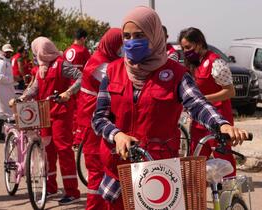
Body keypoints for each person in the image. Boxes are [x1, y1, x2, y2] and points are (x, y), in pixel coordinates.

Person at [91, 6, 250, 209]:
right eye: (127, 36)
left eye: (139, 35)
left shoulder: (175, 73)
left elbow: (197, 103)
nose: (131, 42)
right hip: (119, 174)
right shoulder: (112, 71)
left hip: (160, 173)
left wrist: (222, 125)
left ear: (155, 35)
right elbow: (99, 118)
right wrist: (117, 135)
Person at [19, 36, 81, 205]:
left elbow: (80, 77)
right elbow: (36, 87)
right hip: (44, 113)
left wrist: (69, 92)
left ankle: (72, 191)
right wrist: (24, 96)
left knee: (64, 151)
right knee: (48, 152)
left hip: (61, 112)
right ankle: (51, 187)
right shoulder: (41, 68)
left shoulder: (62, 64)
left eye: (36, 50)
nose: (34, 54)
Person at [178, 27, 237, 176]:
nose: (185, 51)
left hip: (219, 119)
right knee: (196, 161)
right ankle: (197, 197)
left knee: (223, 157)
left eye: (188, 47)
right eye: (183, 48)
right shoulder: (193, 65)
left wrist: (203, 100)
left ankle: (230, 195)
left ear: (199, 44)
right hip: (199, 121)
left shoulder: (215, 63)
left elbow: (230, 91)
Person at [75, 28, 123, 210]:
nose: (122, 50)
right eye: (121, 45)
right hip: (94, 122)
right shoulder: (102, 66)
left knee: (103, 168)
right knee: (97, 170)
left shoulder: (99, 58)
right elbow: (119, 83)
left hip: (93, 120)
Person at [64, 28, 91, 143]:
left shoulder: (66, 51)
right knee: (80, 111)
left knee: (69, 112)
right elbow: (90, 67)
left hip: (68, 85)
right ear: (83, 38)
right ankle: (78, 139)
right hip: (80, 84)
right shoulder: (83, 50)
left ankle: (70, 136)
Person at [0, 44, 15, 141]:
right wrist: (11, 79)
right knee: (6, 110)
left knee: (2, 110)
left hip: (6, 87)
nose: (8, 53)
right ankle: (4, 133)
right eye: (7, 52)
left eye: (10, 52)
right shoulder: (1, 62)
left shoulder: (6, 62)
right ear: (2, 52)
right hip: (2, 87)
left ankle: (1, 133)